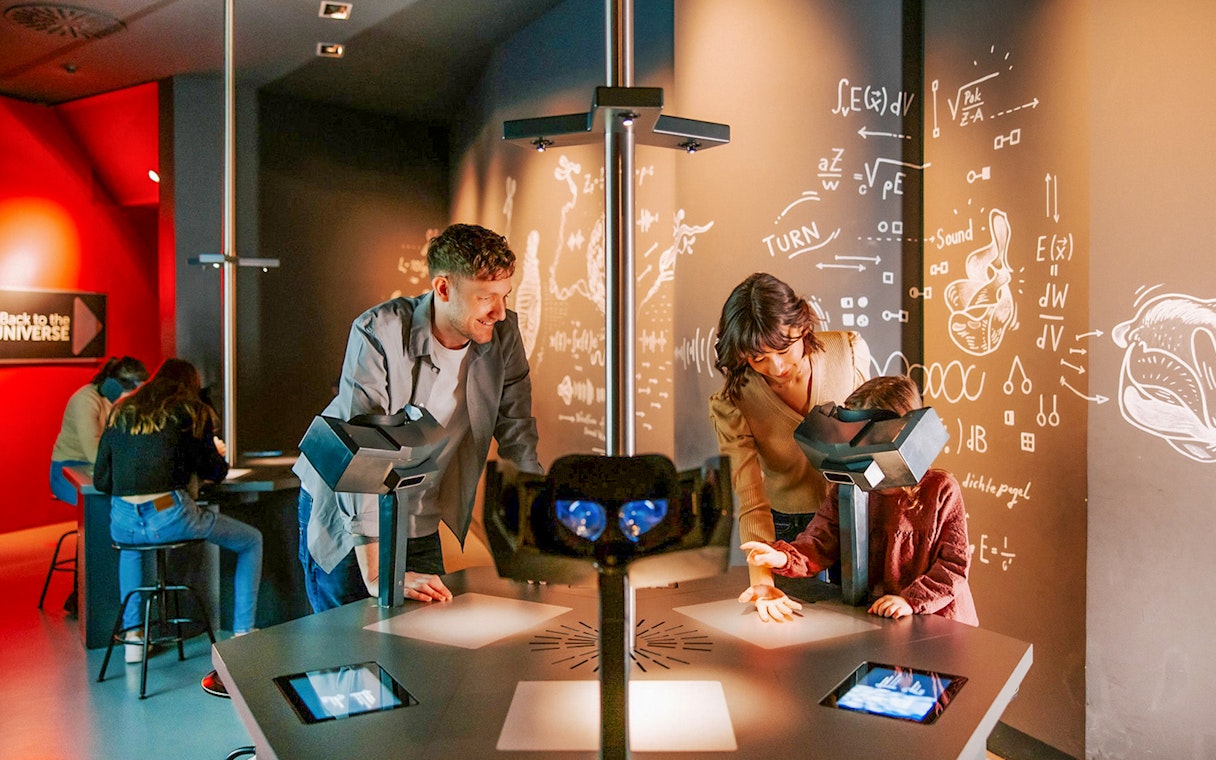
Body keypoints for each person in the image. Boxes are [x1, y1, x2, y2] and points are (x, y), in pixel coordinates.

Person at [295, 223, 542, 612]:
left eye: (504, 296)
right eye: (486, 297)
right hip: (349, 511)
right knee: (348, 648)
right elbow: (362, 453)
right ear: (443, 289)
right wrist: (378, 574)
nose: (499, 311)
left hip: (417, 505)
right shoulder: (378, 331)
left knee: (423, 637)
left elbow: (518, 435)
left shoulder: (503, 333)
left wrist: (534, 540)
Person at [740, 374, 979, 626]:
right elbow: (820, 541)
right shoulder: (850, 484)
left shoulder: (941, 490)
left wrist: (910, 600)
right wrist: (782, 558)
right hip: (881, 620)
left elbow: (953, 566)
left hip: (936, 622)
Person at [709, 272, 870, 623]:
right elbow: (750, 498)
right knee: (797, 636)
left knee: (865, 625)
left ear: (802, 325)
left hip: (855, 513)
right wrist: (762, 581)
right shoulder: (734, 402)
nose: (777, 367)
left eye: (783, 349)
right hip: (785, 535)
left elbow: (873, 441)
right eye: (757, 358)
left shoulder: (849, 351)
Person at [94, 358, 263, 666]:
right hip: (168, 512)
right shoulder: (189, 411)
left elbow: (101, 480)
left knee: (131, 551)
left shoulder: (121, 412)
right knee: (251, 540)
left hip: (123, 520)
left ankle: (134, 638)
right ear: (190, 385)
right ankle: (243, 633)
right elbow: (215, 470)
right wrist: (217, 452)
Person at [49, 356, 149, 614]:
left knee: (109, 508)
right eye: (131, 390)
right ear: (117, 384)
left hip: (96, 470)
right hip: (67, 471)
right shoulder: (86, 401)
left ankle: (96, 592)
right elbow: (94, 453)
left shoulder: (109, 401)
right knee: (100, 513)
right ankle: (83, 594)